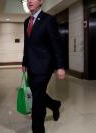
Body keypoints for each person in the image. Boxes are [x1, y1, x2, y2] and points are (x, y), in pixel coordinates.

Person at [22, 0, 66, 132]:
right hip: (31, 65)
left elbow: (56, 44)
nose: (29, 1)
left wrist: (60, 66)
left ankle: (38, 129)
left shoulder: (48, 20)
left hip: (44, 66)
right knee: (37, 94)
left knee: (37, 100)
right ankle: (54, 105)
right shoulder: (26, 22)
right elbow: (27, 44)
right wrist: (24, 61)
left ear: (40, 1)